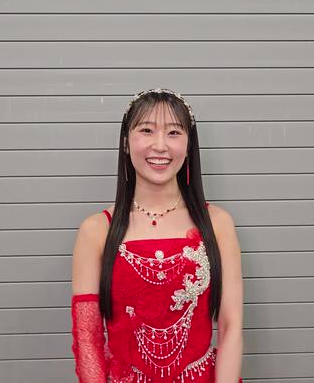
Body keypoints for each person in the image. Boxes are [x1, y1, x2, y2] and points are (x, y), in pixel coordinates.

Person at [71, 88, 244, 382]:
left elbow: (231, 326)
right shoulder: (96, 230)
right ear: (126, 142)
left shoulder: (218, 224)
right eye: (147, 130)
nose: (160, 145)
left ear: (189, 145)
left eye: (174, 132)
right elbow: (87, 337)